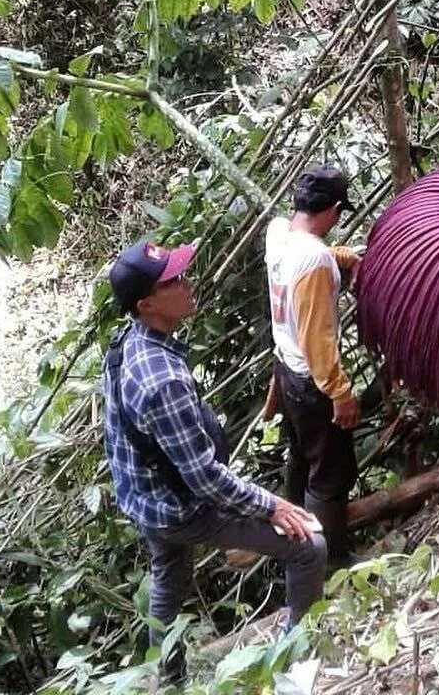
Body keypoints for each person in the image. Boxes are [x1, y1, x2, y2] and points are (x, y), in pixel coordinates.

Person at [102, 239, 326, 684]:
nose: (187, 284)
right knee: (309, 547)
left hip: (146, 499)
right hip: (180, 505)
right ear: (147, 304)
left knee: (169, 575)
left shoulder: (129, 341)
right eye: (175, 281)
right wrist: (273, 506)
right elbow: (204, 479)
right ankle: (295, 665)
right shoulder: (161, 379)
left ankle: (167, 681)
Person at [261, 165, 363, 565]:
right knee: (330, 475)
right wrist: (340, 392)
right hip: (311, 381)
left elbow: (303, 261)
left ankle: (293, 546)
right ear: (334, 209)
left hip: (287, 374)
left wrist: (342, 256)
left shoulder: (278, 233)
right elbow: (316, 338)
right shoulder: (315, 262)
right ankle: (329, 562)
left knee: (303, 459)